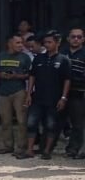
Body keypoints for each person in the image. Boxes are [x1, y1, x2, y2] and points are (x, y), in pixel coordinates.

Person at [23, 30, 71, 160]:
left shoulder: (64, 60)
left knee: (51, 125)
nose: (47, 44)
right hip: (37, 97)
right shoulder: (39, 58)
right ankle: (29, 150)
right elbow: (32, 76)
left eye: (50, 42)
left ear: (58, 43)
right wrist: (28, 94)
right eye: (45, 42)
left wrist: (63, 98)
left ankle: (47, 151)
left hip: (54, 99)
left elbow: (67, 80)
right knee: (31, 123)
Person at [0, 34, 31, 156]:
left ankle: (21, 147)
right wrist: (0, 75)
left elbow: (29, 75)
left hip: (19, 91)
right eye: (18, 43)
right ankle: (7, 146)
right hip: (3, 92)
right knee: (5, 120)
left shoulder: (25, 57)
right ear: (9, 44)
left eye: (21, 43)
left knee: (21, 120)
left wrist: (16, 76)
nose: (21, 45)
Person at [64, 27, 85, 158]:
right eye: (73, 36)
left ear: (83, 39)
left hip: (79, 92)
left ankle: (75, 149)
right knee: (62, 122)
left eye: (79, 37)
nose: (76, 39)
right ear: (68, 38)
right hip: (61, 93)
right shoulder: (62, 53)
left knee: (78, 123)